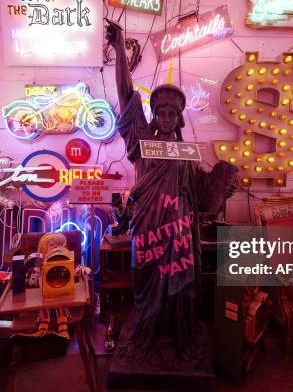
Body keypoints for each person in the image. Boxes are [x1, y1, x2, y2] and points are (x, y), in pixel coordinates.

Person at [106, 20, 238, 362]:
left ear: (179, 118)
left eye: (172, 113)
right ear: (154, 114)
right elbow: (125, 96)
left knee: (181, 292)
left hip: (179, 232)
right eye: (161, 111)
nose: (165, 117)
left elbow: (204, 195)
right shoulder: (143, 142)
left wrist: (224, 182)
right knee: (145, 286)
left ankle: (181, 342)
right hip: (148, 229)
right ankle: (146, 339)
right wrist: (120, 47)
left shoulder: (187, 154)